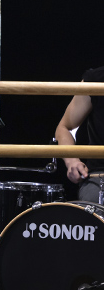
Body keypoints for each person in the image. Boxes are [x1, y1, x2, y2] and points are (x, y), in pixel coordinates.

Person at [55, 66, 104, 204]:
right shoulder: (96, 79)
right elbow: (64, 127)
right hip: (100, 177)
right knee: (94, 198)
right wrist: (72, 161)